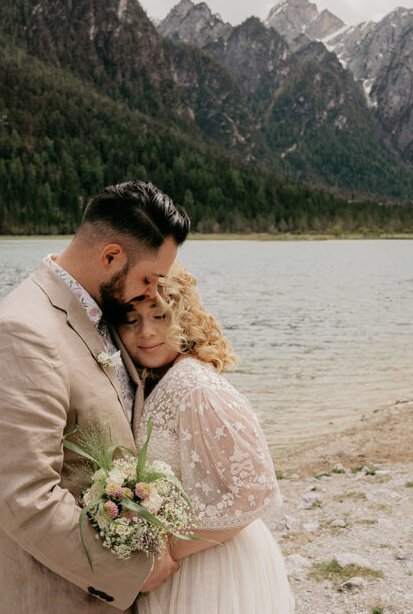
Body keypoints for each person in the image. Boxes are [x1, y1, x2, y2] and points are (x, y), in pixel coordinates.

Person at [0, 181, 190, 612]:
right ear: (110, 256)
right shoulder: (22, 332)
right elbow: (26, 498)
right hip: (50, 597)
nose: (152, 293)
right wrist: (135, 569)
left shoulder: (99, 310)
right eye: (148, 278)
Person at [116, 262, 295, 613]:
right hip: (190, 562)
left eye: (160, 316)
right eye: (131, 320)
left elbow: (257, 491)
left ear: (182, 318)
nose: (146, 333)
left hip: (211, 565)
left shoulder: (197, 386)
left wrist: (165, 550)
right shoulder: (161, 379)